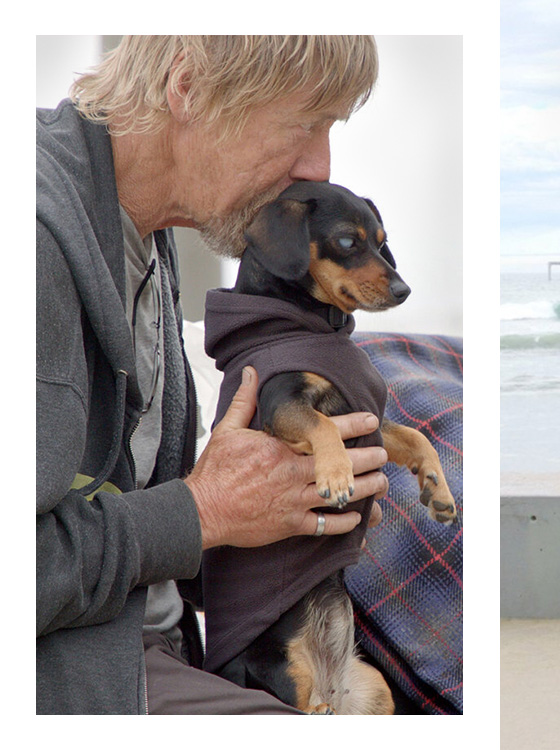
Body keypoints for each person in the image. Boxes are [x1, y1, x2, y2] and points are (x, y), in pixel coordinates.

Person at [36, 35, 389, 714]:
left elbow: (124, 496)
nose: (319, 164)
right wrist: (203, 511)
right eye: (307, 123)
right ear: (188, 85)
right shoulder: (33, 236)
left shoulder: (142, 232)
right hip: (74, 672)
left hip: (157, 643)